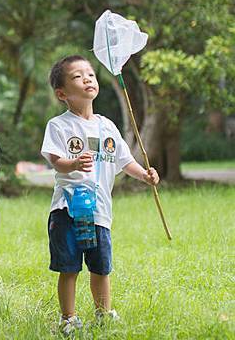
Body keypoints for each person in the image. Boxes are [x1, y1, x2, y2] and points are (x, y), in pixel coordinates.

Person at [41, 55, 160, 335]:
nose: (87, 79)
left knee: (101, 267)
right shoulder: (59, 126)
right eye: (77, 76)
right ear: (62, 94)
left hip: (100, 212)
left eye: (90, 74)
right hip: (67, 209)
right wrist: (72, 164)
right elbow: (55, 159)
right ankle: (68, 318)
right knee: (69, 266)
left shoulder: (107, 125)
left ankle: (103, 313)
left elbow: (124, 160)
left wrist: (143, 174)